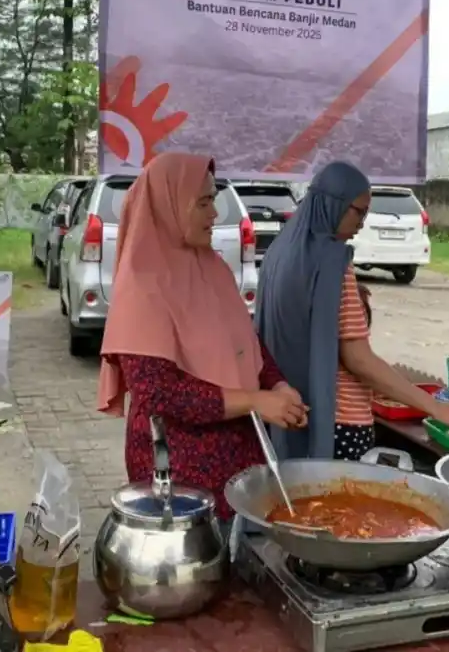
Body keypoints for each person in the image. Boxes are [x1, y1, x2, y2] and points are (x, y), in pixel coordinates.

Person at [97, 152, 308, 524]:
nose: (215, 214)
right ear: (169, 206)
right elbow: (159, 394)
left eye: (216, 201)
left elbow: (244, 342)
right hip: (182, 478)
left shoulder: (212, 267)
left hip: (240, 460)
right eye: (204, 202)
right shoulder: (142, 288)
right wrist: (255, 401)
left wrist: (277, 384)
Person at [256, 161, 449, 462]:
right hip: (338, 422)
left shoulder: (280, 253)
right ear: (333, 205)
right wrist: (437, 407)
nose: (362, 221)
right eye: (357, 211)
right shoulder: (331, 260)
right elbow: (358, 358)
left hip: (290, 415)